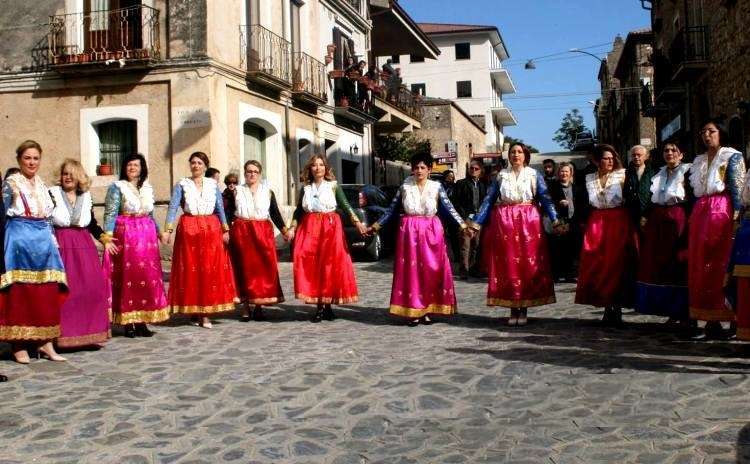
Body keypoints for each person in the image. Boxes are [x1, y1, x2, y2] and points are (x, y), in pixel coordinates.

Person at [369, 152, 469, 326]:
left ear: (429, 169)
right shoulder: (405, 187)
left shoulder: (436, 187)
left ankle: (428, 309)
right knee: (412, 272)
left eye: (423, 167)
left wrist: (463, 226)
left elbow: (449, 209)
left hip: (432, 232)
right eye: (416, 167)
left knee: (431, 270)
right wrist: (376, 225)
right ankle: (414, 310)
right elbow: (392, 210)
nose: (419, 170)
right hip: (409, 233)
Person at [470, 143, 560, 326]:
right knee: (508, 265)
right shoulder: (501, 176)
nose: (516, 155)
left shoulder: (534, 175)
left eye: (519, 152)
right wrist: (476, 223)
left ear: (525, 155)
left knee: (527, 265)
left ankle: (524, 307)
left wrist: (556, 219)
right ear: (508, 156)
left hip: (529, 222)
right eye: (512, 152)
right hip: (505, 223)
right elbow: (489, 200)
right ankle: (512, 308)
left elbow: (545, 198)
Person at [0, 140, 68, 363]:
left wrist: (53, 242)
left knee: (45, 294)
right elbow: (2, 216)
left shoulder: (42, 185)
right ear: (19, 159)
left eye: (35, 158)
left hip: (44, 242)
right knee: (21, 293)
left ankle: (45, 342)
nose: (32, 162)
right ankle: (18, 344)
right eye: (27, 158)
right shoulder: (11, 184)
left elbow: (48, 218)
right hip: (19, 242)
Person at [287, 154, 366, 323]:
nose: (318, 168)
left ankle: (327, 305)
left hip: (330, 228)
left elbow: (345, 206)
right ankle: (319, 306)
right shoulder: (305, 189)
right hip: (309, 228)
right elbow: (299, 211)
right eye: (314, 165)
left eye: (321, 165)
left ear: (326, 168)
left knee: (329, 265)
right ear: (310, 169)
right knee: (311, 265)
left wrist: (357, 222)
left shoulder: (333, 187)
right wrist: (292, 227)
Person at [164, 152, 237, 328]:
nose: (196, 166)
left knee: (208, 270)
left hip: (211, 229)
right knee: (191, 269)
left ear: (205, 166)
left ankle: (205, 313)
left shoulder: (212, 185)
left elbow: (220, 208)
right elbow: (173, 207)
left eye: (199, 163)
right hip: (189, 229)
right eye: (193, 163)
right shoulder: (182, 184)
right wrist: (168, 230)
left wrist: (225, 229)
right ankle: (194, 309)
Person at [688, 119, 745, 340]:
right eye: (703, 131)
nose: (706, 135)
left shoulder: (732, 156)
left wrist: (736, 217)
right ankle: (710, 320)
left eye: (710, 131)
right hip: (702, 212)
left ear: (721, 133)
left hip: (722, 212)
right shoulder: (699, 160)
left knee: (723, 264)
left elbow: (738, 188)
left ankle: (732, 317)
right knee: (702, 266)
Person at [103, 153, 169, 337]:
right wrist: (107, 237)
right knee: (129, 277)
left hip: (146, 237)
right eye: (129, 165)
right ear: (124, 168)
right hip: (127, 236)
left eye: (136, 165)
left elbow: (150, 214)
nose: (132, 168)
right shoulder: (117, 187)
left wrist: (159, 232)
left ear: (142, 168)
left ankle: (142, 321)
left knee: (147, 278)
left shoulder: (147, 187)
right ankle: (128, 322)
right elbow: (110, 213)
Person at [50, 159, 114, 348]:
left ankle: (89, 333)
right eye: (64, 173)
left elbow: (92, 224)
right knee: (66, 292)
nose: (68, 177)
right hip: (61, 244)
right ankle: (63, 336)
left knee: (91, 289)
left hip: (84, 246)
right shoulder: (52, 194)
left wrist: (104, 239)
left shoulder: (86, 197)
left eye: (71, 173)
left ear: (79, 176)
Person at [575, 144, 638, 326]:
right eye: (605, 158)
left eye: (612, 158)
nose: (609, 161)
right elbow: (582, 203)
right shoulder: (589, 178)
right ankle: (605, 304)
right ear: (597, 160)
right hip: (596, 222)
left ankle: (616, 306)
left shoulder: (623, 175)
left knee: (615, 264)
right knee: (598, 263)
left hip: (618, 220)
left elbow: (633, 200)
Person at [634, 142, 692, 323]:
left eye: (674, 150)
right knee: (662, 265)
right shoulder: (659, 174)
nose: (669, 153)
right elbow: (653, 200)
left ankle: (686, 312)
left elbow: (691, 199)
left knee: (679, 264)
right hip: (659, 221)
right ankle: (671, 310)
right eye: (666, 151)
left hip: (678, 220)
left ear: (681, 154)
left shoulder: (688, 172)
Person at [230, 160, 289, 322]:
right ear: (244, 173)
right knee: (243, 269)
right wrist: (225, 230)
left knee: (262, 270)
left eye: (255, 171)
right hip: (242, 232)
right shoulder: (236, 191)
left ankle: (258, 306)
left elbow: (275, 213)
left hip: (262, 232)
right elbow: (228, 212)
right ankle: (246, 307)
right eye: (249, 171)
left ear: (260, 174)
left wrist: (284, 231)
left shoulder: (267, 191)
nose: (252, 174)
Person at [450, 160, 487, 279]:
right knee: (465, 245)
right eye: (471, 168)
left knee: (477, 244)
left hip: (478, 218)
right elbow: (455, 202)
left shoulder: (482, 185)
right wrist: (462, 218)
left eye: (476, 169)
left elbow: (485, 202)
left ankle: (473, 268)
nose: (473, 170)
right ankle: (463, 270)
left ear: (481, 171)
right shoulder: (461, 183)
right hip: (466, 217)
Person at [547, 162, 580, 282]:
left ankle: (570, 274)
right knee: (556, 248)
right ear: (558, 173)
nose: (564, 173)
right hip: (558, 220)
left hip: (573, 221)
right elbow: (547, 202)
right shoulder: (552, 186)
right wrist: (558, 203)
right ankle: (556, 274)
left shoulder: (576, 187)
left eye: (566, 171)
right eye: (561, 171)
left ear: (571, 173)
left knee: (571, 248)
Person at [624, 145, 657, 231]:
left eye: (639, 155)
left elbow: (655, 193)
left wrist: (646, 214)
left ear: (646, 156)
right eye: (634, 155)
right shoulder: (627, 172)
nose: (636, 157)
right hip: (632, 214)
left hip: (650, 213)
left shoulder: (654, 172)